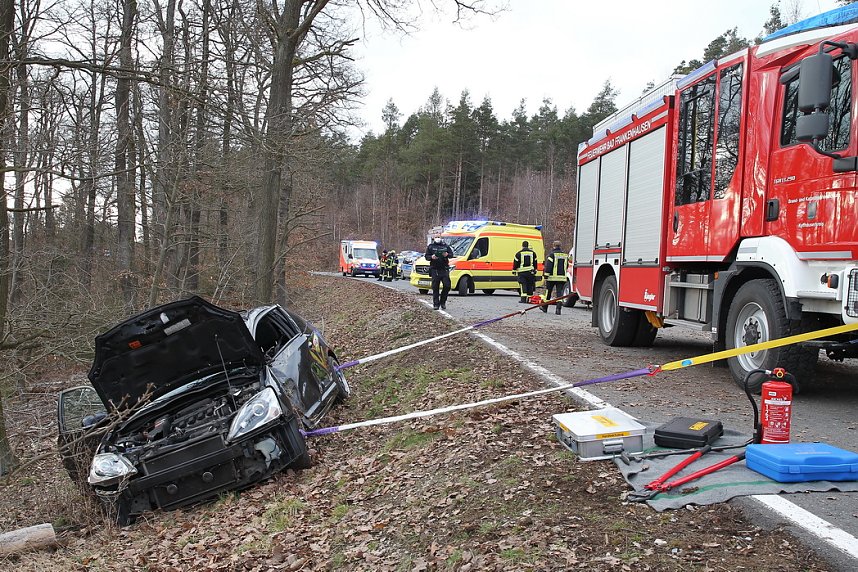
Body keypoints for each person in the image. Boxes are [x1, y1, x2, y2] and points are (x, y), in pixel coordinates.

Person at [425, 236, 454, 310]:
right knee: (435, 287)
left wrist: (447, 255)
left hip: (444, 269)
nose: (437, 238)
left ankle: (443, 301)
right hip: (435, 269)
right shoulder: (431, 246)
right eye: (436, 237)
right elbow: (426, 256)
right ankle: (436, 304)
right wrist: (432, 257)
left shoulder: (445, 246)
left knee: (447, 285)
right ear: (433, 238)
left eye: (438, 237)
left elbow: (451, 255)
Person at [543, 240, 569, 314]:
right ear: (560, 246)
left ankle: (545, 307)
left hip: (552, 278)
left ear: (553, 246)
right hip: (561, 278)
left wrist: (546, 275)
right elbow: (566, 266)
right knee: (559, 293)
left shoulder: (552, 255)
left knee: (548, 292)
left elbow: (549, 266)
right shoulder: (565, 255)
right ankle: (558, 309)